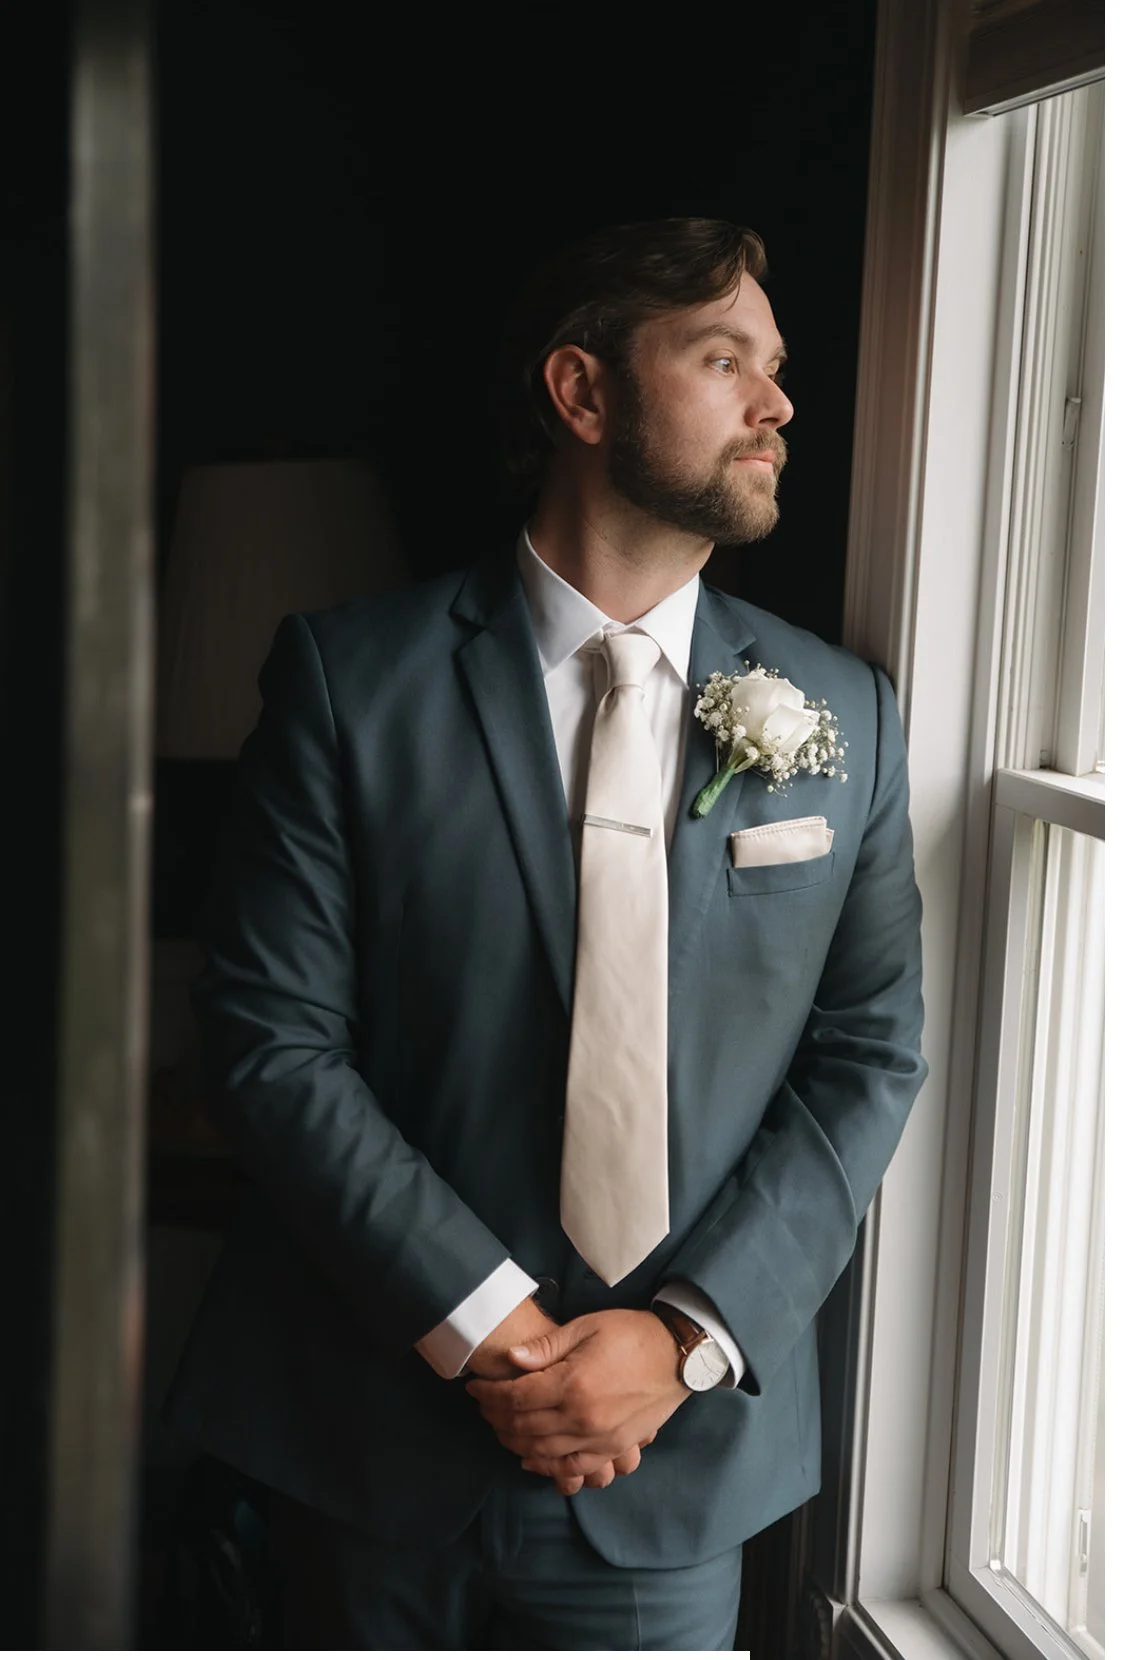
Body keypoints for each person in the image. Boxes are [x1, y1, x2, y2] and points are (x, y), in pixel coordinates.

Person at [165, 216, 927, 1650]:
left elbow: (872, 1055)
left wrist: (680, 1340)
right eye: (722, 360)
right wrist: (499, 1333)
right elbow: (271, 1044)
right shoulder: (349, 680)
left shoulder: (851, 720)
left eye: (776, 369)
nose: (777, 405)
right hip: (366, 1439)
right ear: (582, 395)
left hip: (674, 1470)